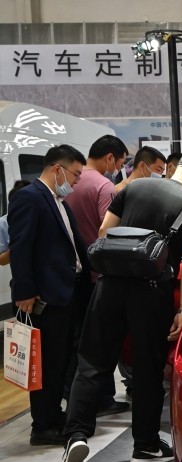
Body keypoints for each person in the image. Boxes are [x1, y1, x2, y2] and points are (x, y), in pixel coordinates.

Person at [60, 151, 182, 462]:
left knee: (92, 362)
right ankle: (145, 446)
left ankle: (75, 436)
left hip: (109, 286)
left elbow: (104, 232)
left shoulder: (134, 187)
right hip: (151, 293)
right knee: (147, 369)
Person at [8, 145, 91, 446]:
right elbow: (21, 248)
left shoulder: (59, 202)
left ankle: (55, 415)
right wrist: (25, 291)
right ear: (58, 169)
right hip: (45, 297)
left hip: (67, 293)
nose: (77, 182)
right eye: (76, 175)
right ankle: (42, 425)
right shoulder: (29, 198)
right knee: (45, 364)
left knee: (61, 361)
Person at [63, 134, 130, 416]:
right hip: (97, 275)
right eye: (120, 163)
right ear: (110, 158)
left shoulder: (68, 184)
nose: (119, 170)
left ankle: (73, 396)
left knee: (75, 341)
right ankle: (101, 399)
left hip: (71, 275)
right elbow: (110, 233)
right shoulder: (104, 186)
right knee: (101, 343)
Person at [0, 180, 30, 266]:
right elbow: (1, 260)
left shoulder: (44, 216)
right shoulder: (3, 223)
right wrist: (19, 246)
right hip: (21, 270)